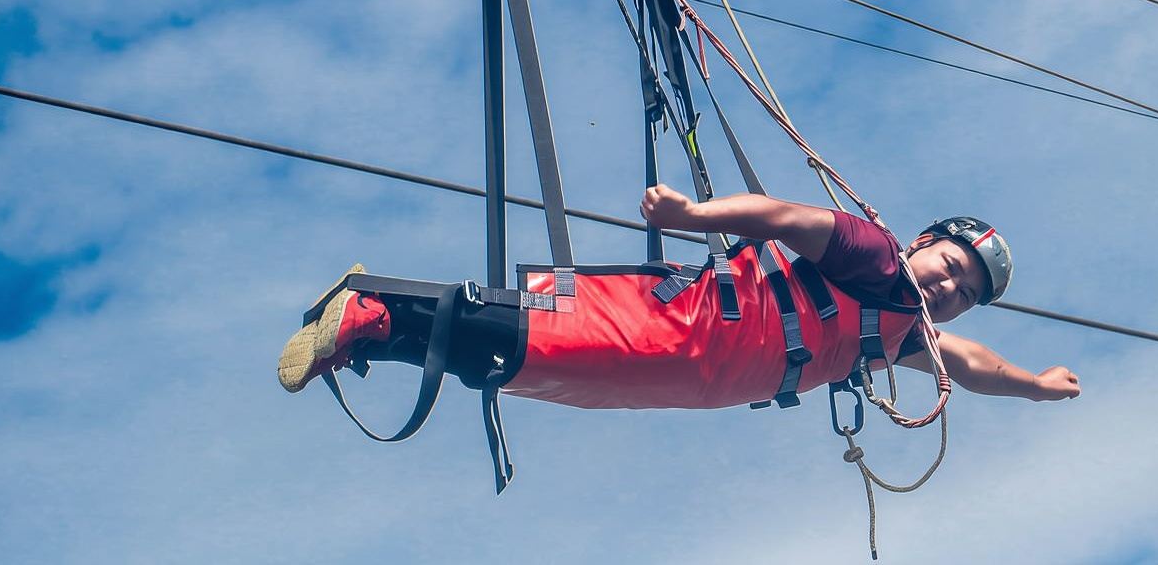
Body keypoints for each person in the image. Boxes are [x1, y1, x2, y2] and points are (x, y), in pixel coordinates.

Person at [277, 184, 1081, 407]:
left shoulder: (900, 332)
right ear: (924, 241)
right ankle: (376, 309)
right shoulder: (874, 257)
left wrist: (1036, 386)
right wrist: (693, 217)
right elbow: (786, 217)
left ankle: (377, 335)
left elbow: (966, 363)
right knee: (543, 337)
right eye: (951, 265)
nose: (948, 286)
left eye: (964, 291)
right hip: (683, 323)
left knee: (525, 369)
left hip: (698, 376)